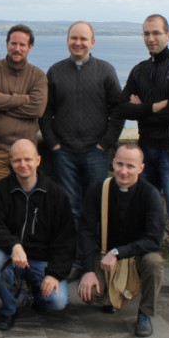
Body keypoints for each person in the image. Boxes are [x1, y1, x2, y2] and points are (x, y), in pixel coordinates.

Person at [118, 14, 169, 301]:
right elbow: (121, 108)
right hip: (146, 150)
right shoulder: (139, 70)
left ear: (168, 35)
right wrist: (152, 108)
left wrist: (141, 110)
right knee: (142, 213)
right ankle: (138, 274)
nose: (151, 39)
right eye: (146, 34)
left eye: (156, 33)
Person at [0, 139, 75, 331]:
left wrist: (54, 274)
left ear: (38, 160)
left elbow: (65, 240)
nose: (22, 164)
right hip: (12, 257)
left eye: (27, 159)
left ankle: (34, 294)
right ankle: (9, 309)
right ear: (10, 162)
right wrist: (14, 245)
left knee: (57, 301)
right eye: (17, 160)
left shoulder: (56, 194)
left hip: (43, 260)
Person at [40, 21, 125, 227]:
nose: (78, 43)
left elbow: (118, 109)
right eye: (74, 38)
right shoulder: (55, 71)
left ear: (92, 42)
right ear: (67, 40)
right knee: (69, 207)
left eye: (83, 39)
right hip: (64, 152)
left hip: (96, 151)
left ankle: (92, 248)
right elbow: (45, 110)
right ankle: (73, 247)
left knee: (96, 206)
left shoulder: (105, 70)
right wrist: (53, 143)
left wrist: (105, 143)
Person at [77, 143, 165, 337]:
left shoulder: (150, 194)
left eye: (130, 166)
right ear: (113, 162)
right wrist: (88, 270)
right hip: (105, 257)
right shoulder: (99, 189)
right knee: (89, 293)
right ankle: (110, 297)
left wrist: (118, 253)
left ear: (141, 168)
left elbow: (153, 240)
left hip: (137, 256)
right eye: (120, 164)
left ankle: (145, 314)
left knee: (154, 262)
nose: (123, 171)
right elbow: (86, 231)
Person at [0, 24, 47, 187]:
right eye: (13, 43)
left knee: (26, 197)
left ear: (30, 47)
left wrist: (0, 103)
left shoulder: (38, 75)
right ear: (7, 44)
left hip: (26, 152)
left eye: (22, 44)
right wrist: (24, 99)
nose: (17, 48)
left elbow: (38, 108)